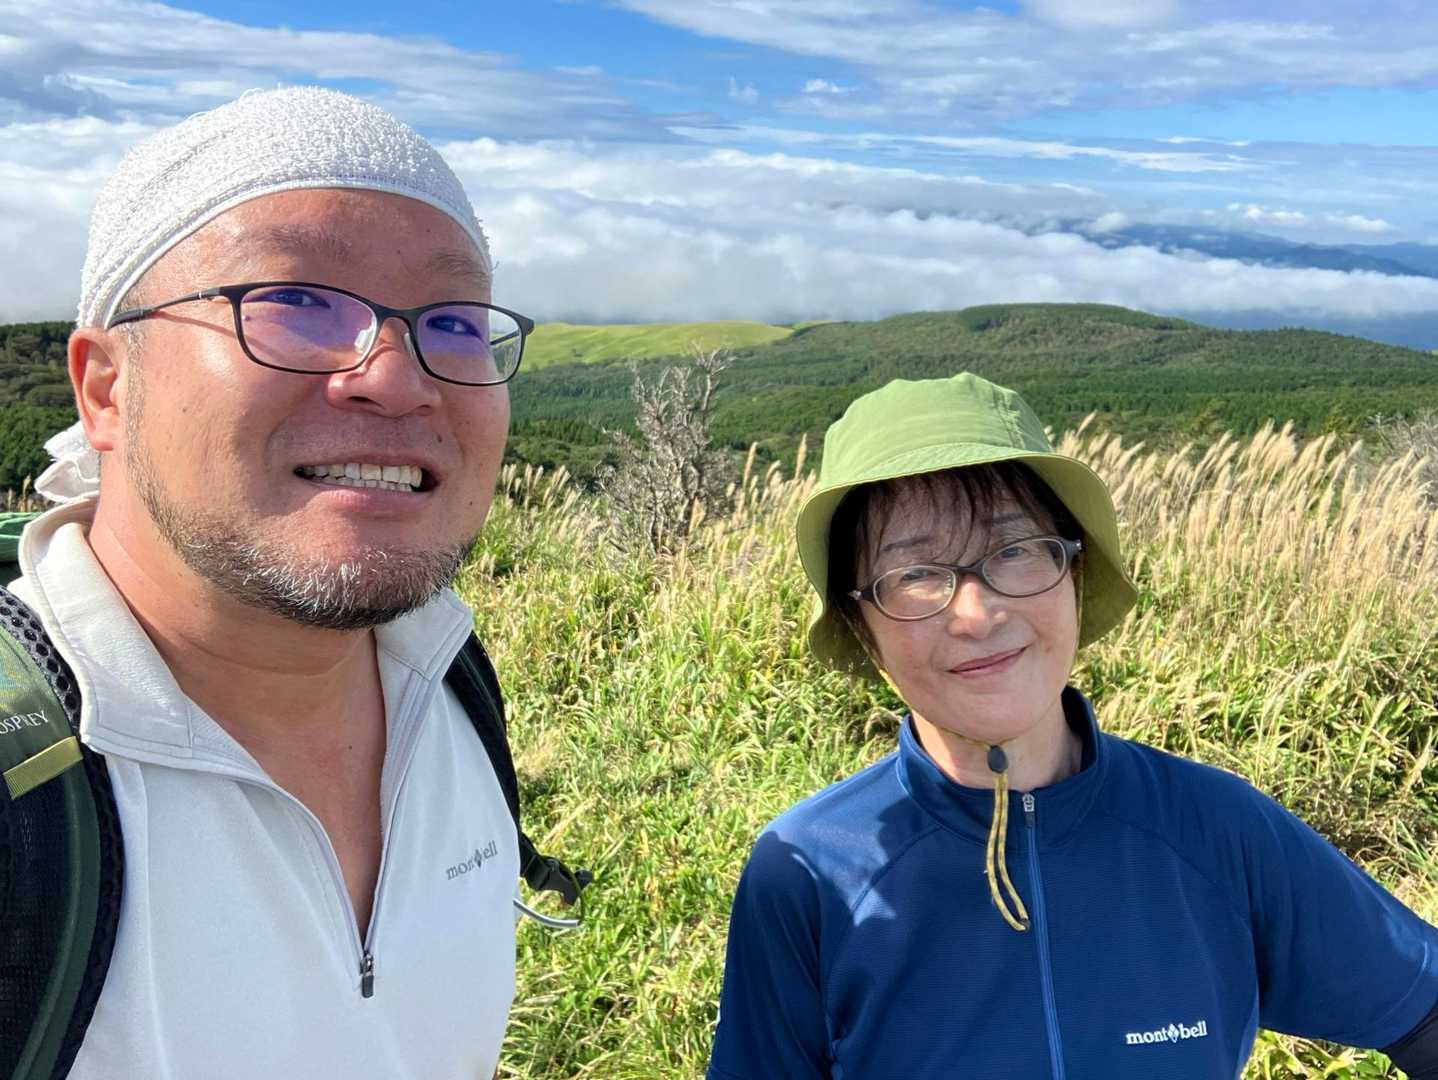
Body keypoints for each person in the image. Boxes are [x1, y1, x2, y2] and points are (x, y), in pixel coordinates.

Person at [7, 88, 530, 1077]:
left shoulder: (446, 680)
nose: (396, 376)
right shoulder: (26, 804)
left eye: (455, 322)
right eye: (293, 301)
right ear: (106, 389)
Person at [707, 372, 1438, 1078]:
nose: (977, 614)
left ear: (1075, 575)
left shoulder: (1215, 830)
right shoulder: (809, 872)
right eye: (915, 576)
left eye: (1014, 551)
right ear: (860, 626)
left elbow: (1422, 1010)